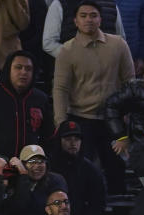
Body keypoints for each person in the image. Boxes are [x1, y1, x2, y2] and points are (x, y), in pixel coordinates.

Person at [53, 0, 134, 195]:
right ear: (75, 21)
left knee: (116, 169)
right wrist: (61, 123)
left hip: (112, 120)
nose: (88, 19)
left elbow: (130, 82)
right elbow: (60, 88)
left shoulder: (118, 45)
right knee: (80, 172)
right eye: (83, 15)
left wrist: (128, 115)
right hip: (81, 118)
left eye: (93, 15)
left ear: (100, 19)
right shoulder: (67, 50)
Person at [48, 119, 121, 215]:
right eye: (68, 139)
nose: (73, 143)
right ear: (59, 141)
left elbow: (98, 204)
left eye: (76, 139)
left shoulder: (91, 169)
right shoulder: (49, 166)